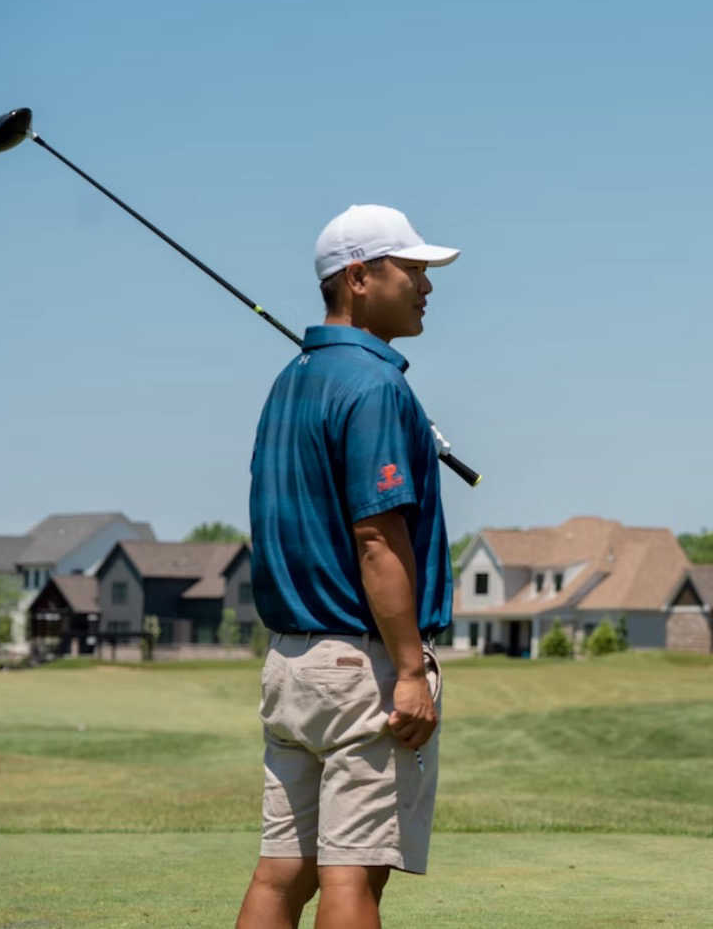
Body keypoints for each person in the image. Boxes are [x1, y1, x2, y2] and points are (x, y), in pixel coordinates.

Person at [236, 204, 459, 929]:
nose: (427, 286)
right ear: (359, 277)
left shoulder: (289, 382)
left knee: (282, 874)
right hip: (362, 667)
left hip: (290, 664)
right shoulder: (376, 387)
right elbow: (376, 541)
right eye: (413, 271)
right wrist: (411, 671)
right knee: (353, 880)